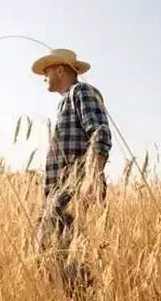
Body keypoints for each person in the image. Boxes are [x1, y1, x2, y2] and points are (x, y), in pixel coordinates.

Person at [31, 48, 112, 297]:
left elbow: (99, 133)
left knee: (67, 259)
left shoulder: (82, 92)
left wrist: (92, 178)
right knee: (55, 257)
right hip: (59, 194)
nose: (44, 78)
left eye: (46, 72)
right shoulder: (63, 103)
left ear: (59, 70)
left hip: (73, 191)